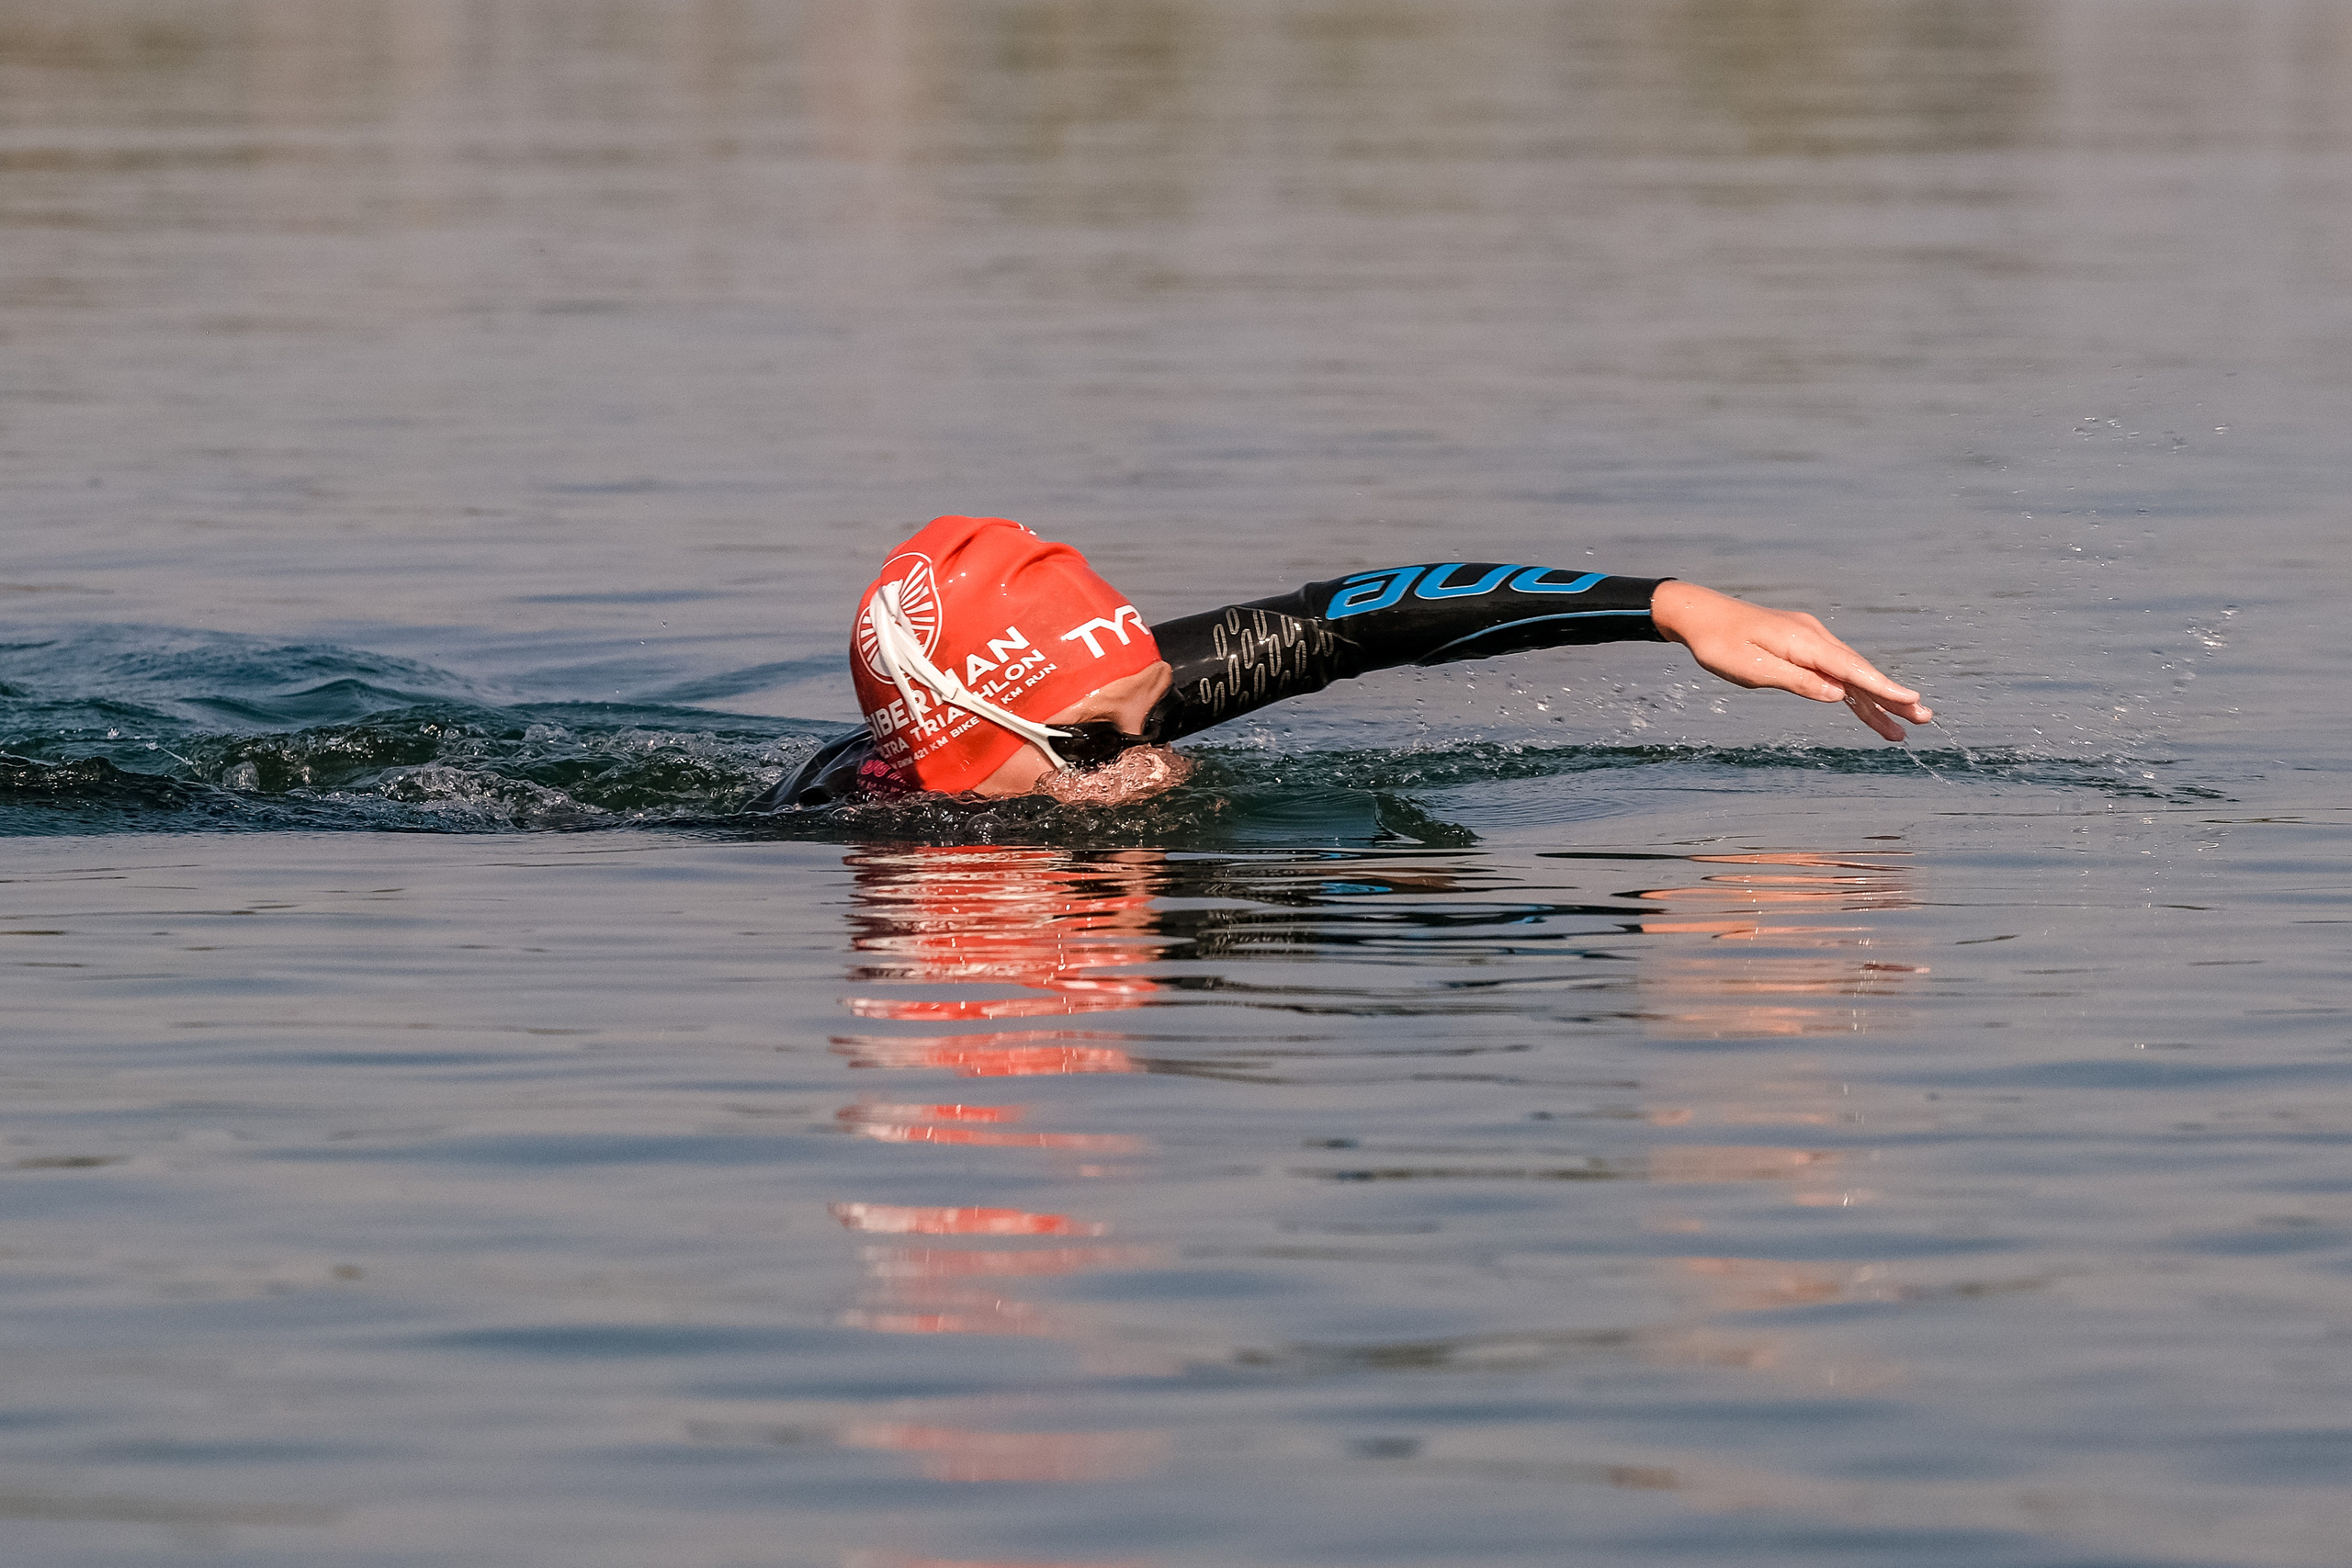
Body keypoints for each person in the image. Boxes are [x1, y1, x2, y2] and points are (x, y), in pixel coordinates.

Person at [752, 514, 1931, 812]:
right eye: (1099, 745)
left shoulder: (1052, 721)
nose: (1151, 764)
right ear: (961, 754)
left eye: (1152, 719)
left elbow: (1349, 623)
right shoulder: (899, 851)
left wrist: (1677, 608)